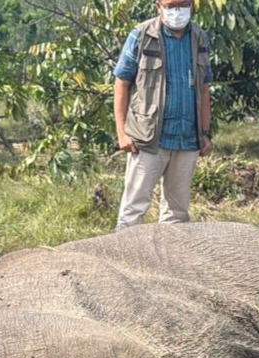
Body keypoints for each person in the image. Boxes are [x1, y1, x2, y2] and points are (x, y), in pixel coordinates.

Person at [112, 0, 212, 232]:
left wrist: (205, 134)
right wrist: (121, 132)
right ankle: (122, 260)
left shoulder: (200, 38)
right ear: (158, 6)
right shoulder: (142, 35)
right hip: (147, 139)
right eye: (170, 6)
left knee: (177, 214)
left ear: (192, 5)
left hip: (187, 139)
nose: (177, 11)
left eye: (183, 5)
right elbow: (122, 83)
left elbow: (205, 88)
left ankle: (169, 265)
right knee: (133, 209)